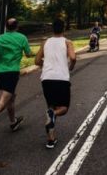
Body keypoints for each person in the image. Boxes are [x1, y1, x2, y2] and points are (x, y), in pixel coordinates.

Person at [35, 18, 76, 149]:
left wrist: (45, 65)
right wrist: (70, 67)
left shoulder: (45, 42)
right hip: (61, 78)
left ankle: (51, 140)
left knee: (51, 107)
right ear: (64, 29)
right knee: (63, 108)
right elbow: (73, 57)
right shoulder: (68, 42)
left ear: (53, 29)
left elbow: (36, 61)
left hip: (46, 78)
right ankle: (54, 116)